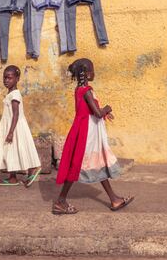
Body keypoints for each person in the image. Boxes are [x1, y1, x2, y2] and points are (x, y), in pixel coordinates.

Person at [53, 58, 134, 214]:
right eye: (93, 70)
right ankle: (60, 201)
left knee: (96, 163)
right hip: (87, 134)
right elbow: (96, 113)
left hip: (85, 131)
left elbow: (89, 111)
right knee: (77, 166)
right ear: (88, 73)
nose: (94, 73)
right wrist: (106, 108)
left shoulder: (79, 89)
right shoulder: (87, 90)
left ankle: (114, 200)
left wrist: (104, 113)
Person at [0, 65, 41, 187]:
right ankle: (12, 178)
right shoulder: (11, 93)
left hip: (14, 127)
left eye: (9, 78)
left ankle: (32, 169)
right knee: (11, 151)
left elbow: (16, 114)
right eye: (4, 78)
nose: (6, 80)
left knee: (20, 149)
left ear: (17, 79)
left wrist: (10, 132)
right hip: (10, 126)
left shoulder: (15, 94)